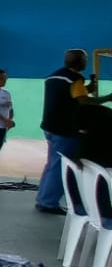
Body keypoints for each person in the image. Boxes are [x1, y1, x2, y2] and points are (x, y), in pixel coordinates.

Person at [36, 49, 112, 214]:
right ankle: (48, 202)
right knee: (60, 166)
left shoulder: (55, 76)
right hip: (64, 128)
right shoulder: (75, 78)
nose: (86, 62)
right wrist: (107, 98)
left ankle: (44, 198)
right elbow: (83, 102)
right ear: (80, 62)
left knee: (53, 164)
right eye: (85, 59)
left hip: (50, 126)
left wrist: (88, 88)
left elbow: (70, 94)